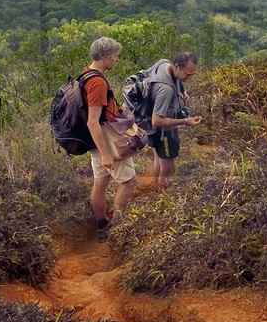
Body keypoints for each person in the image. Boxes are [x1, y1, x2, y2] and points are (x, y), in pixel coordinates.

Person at [83, 37, 137, 241]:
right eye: (115, 56)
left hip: (97, 141)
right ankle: (118, 229)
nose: (117, 59)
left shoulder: (86, 74)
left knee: (101, 181)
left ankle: (102, 225)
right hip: (107, 141)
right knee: (129, 181)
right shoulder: (97, 82)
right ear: (105, 56)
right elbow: (92, 122)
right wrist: (106, 153)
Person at [138, 51, 203, 200]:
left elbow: (175, 78)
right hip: (163, 129)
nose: (190, 77)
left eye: (193, 74)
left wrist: (181, 89)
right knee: (168, 165)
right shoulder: (166, 89)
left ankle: (154, 188)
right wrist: (185, 121)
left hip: (149, 125)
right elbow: (157, 120)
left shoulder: (163, 63)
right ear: (176, 66)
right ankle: (163, 198)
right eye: (188, 74)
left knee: (159, 158)